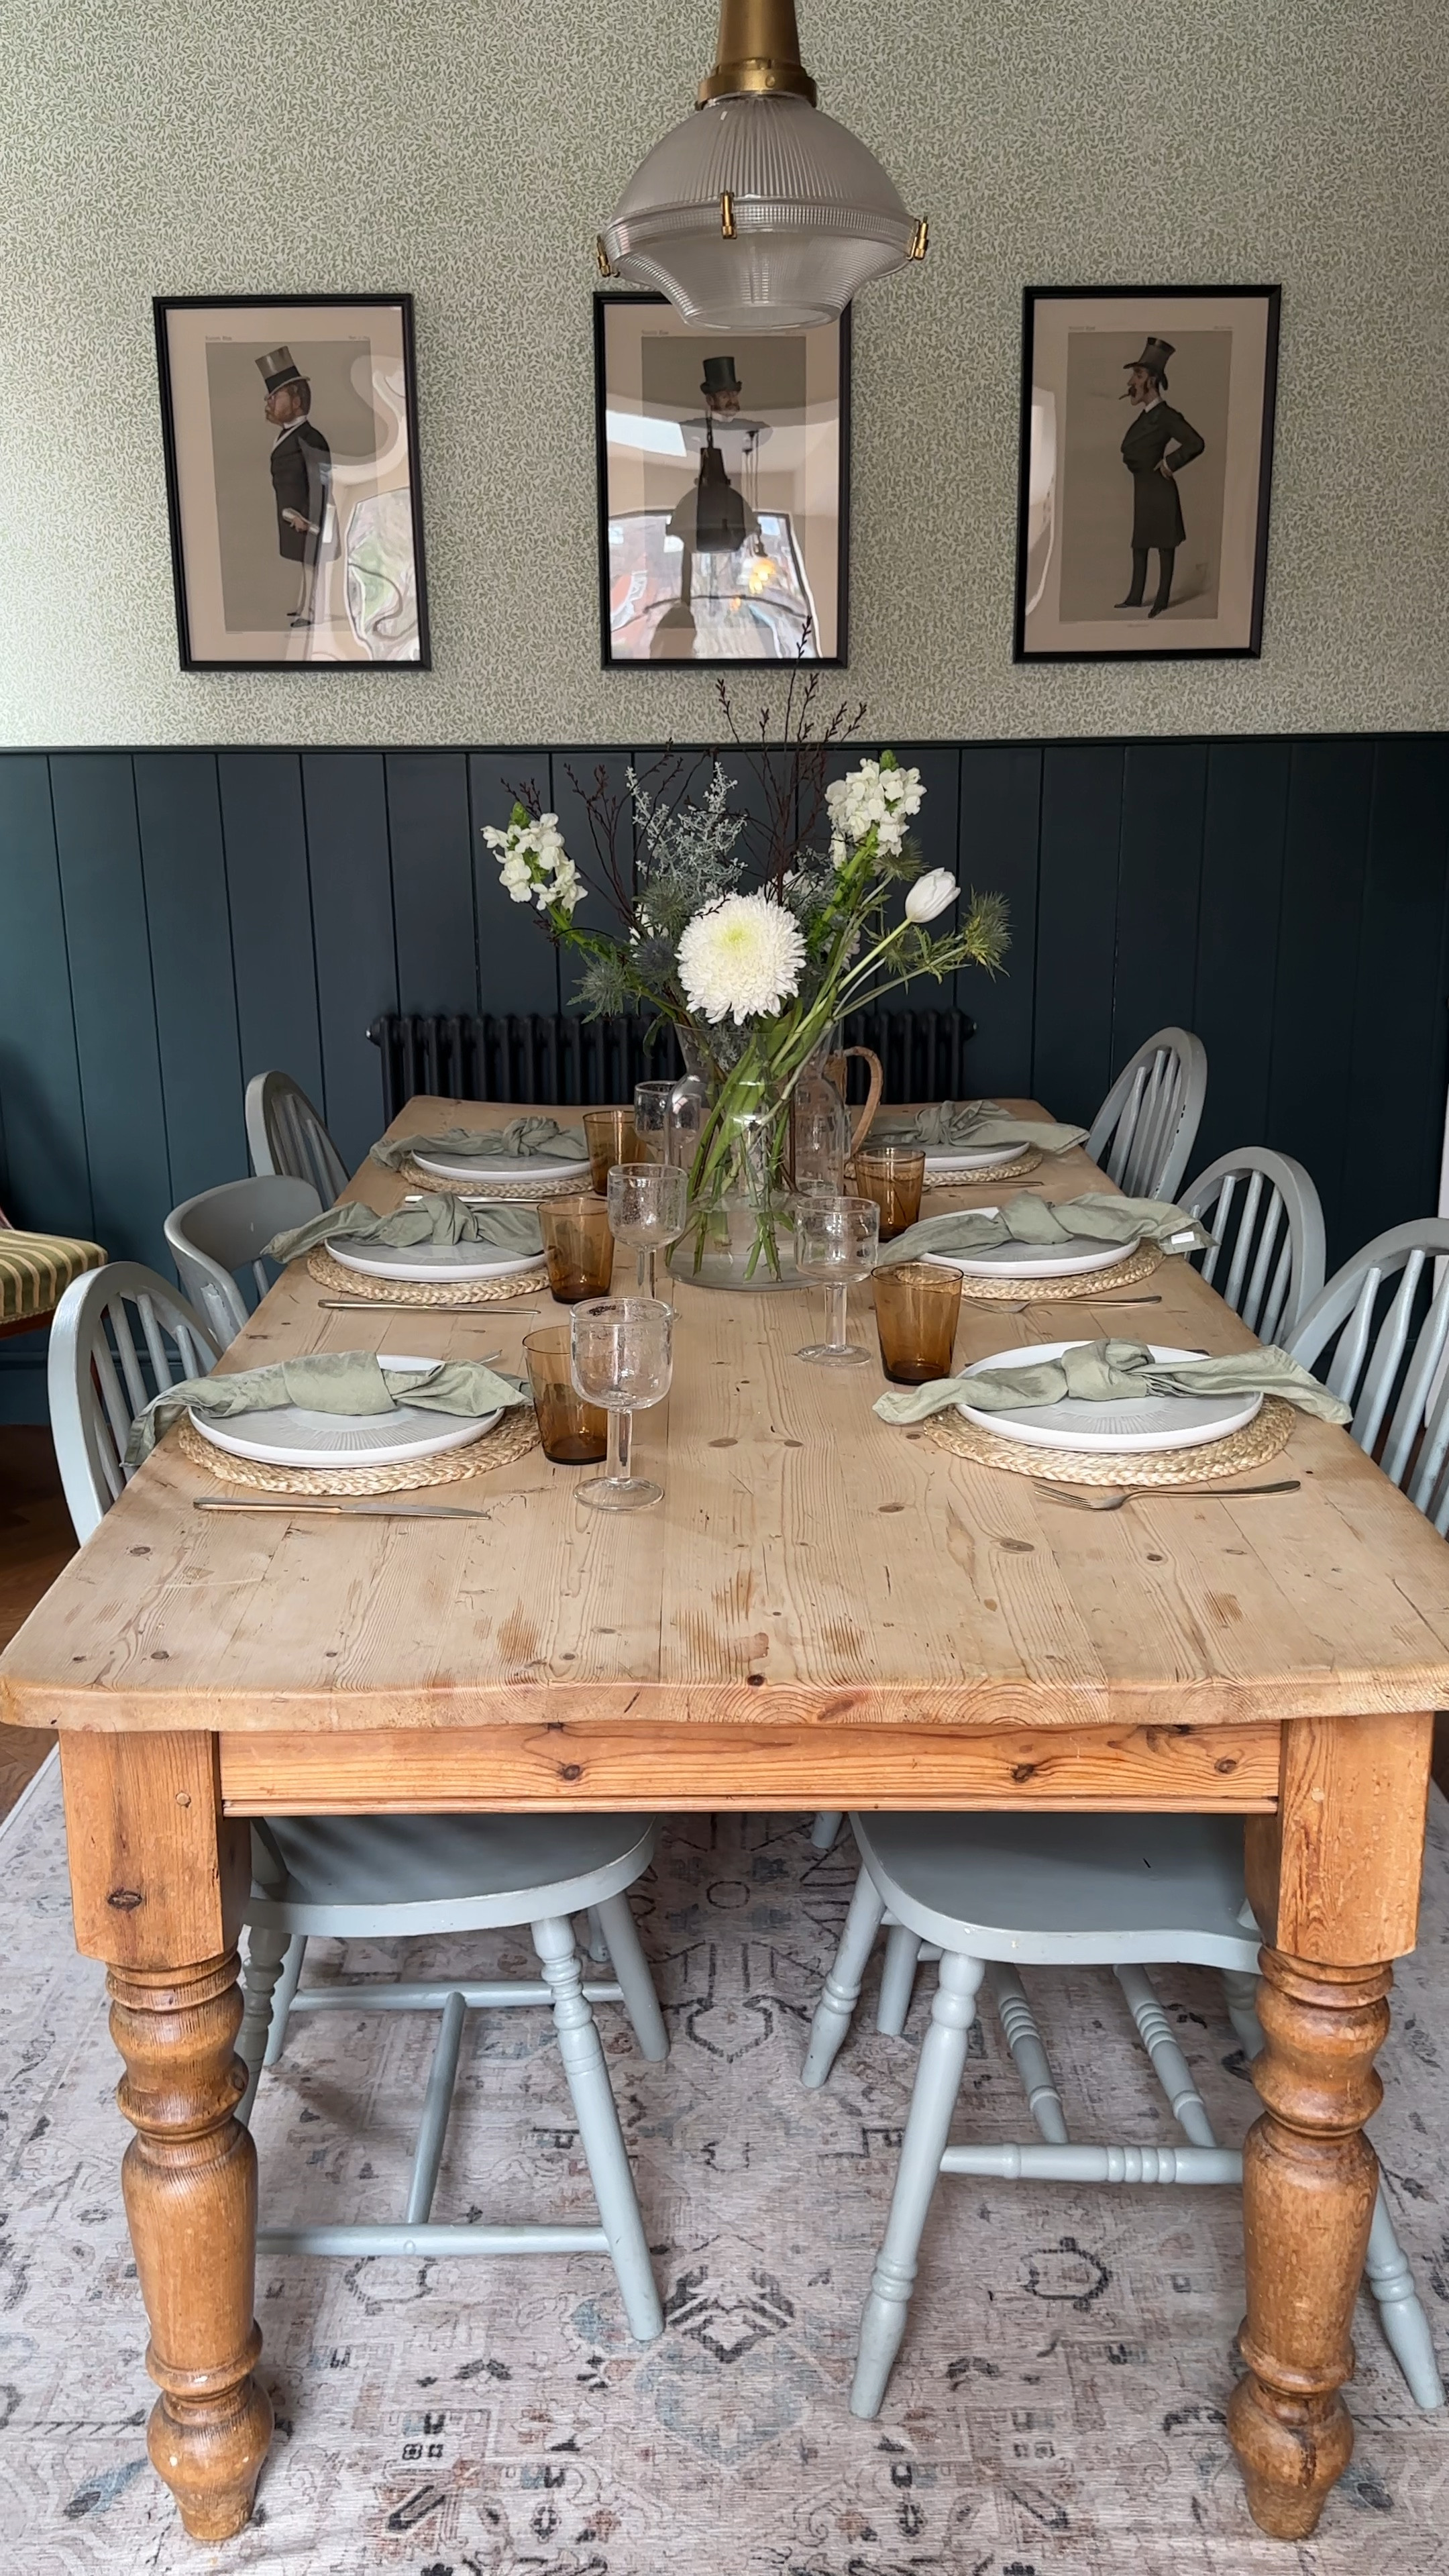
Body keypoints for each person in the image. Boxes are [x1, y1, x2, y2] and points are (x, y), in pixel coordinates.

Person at [1116, 337, 1204, 619]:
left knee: (1164, 547)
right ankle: (1135, 597)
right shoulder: (1144, 417)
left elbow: (1195, 442)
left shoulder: (1166, 416)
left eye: (1138, 375)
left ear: (1152, 381)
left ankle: (1162, 600)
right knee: (1140, 544)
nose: (1131, 381)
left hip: (1160, 491)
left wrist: (1170, 462)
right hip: (1143, 490)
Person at [256, 347, 331, 627]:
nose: (270, 402)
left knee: (311, 563)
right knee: (305, 564)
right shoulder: (286, 435)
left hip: (305, 517)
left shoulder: (312, 438)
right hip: (292, 515)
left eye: (277, 396)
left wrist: (307, 517)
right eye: (270, 397)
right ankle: (303, 606)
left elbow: (321, 483)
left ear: (297, 400)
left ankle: (310, 611)